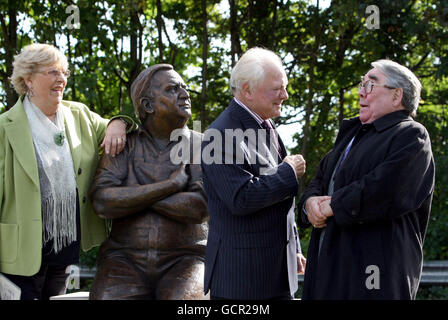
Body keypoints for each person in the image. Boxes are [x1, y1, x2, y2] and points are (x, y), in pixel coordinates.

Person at [0, 43, 133, 300]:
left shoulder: (79, 114)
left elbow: (115, 126)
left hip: (66, 248)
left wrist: (118, 123)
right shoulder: (5, 127)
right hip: (18, 252)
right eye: (52, 72)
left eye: (64, 72)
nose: (61, 79)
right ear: (28, 79)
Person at [297, 59, 435, 300]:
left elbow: (386, 189)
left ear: (396, 95)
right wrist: (310, 205)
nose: (361, 91)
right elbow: (317, 182)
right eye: (362, 84)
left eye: (371, 85)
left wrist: (332, 206)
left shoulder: (411, 135)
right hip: (327, 274)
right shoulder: (351, 137)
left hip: (374, 278)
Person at [88, 64, 209, 300]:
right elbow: (102, 201)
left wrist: (130, 195)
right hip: (124, 260)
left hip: (187, 258)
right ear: (148, 105)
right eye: (173, 89)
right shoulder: (123, 145)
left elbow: (200, 207)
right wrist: (170, 186)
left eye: (185, 88)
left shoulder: (202, 146)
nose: (185, 94)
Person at [201, 47, 307, 300]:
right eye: (277, 88)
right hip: (242, 282)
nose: (285, 94)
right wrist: (288, 173)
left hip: (275, 273)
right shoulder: (220, 135)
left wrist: (293, 247)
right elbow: (241, 198)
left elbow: (279, 203)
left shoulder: (264, 124)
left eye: (285, 86)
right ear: (247, 90)